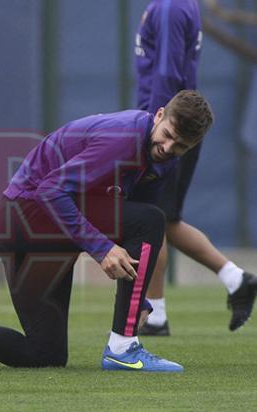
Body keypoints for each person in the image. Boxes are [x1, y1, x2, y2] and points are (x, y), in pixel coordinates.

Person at [0, 90, 213, 372]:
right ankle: (124, 348)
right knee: (151, 220)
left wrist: (137, 298)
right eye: (168, 134)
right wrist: (101, 248)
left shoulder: (157, 153)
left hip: (28, 230)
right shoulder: (123, 137)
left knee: (44, 353)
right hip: (27, 219)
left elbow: (119, 213)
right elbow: (51, 192)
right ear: (159, 115)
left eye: (181, 145)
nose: (169, 147)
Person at [135, 0, 256, 336]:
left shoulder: (172, 6)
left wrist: (154, 131)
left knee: (151, 218)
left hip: (167, 132)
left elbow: (168, 74)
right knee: (166, 220)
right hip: (173, 128)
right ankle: (236, 278)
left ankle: (156, 315)